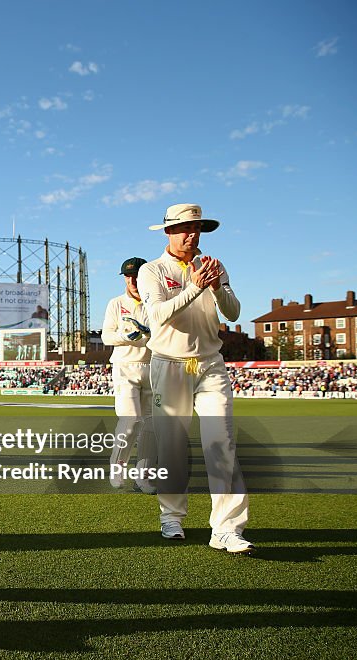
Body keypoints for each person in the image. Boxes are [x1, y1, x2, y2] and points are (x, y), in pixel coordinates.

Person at [137, 203, 253, 554]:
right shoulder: (152, 270)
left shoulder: (213, 265)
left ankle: (227, 528)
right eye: (185, 228)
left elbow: (233, 312)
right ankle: (171, 516)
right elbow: (156, 315)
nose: (193, 234)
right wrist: (194, 288)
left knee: (223, 442)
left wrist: (217, 288)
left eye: (198, 228)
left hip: (210, 364)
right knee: (172, 445)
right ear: (169, 232)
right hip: (169, 362)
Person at [100, 258, 156, 493]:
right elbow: (106, 337)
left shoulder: (156, 303)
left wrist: (149, 335)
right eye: (127, 276)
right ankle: (117, 466)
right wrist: (128, 335)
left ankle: (143, 477)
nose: (132, 281)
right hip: (125, 367)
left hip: (153, 367)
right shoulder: (116, 303)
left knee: (151, 427)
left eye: (136, 276)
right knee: (131, 420)